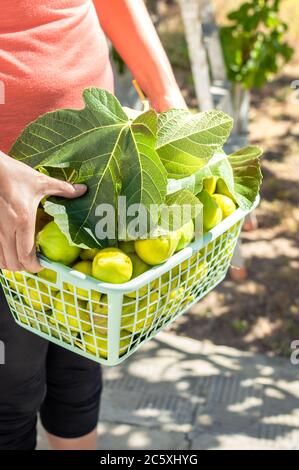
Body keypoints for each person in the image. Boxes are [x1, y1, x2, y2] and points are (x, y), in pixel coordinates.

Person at [0, 0, 186, 450]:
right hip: (8, 199)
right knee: (10, 392)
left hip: (96, 168)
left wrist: (166, 100)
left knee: (79, 361)